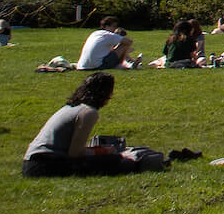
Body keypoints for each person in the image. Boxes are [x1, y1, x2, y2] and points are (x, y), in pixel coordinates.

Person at [23, 73, 160, 176]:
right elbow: (75, 153)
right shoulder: (88, 113)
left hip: (32, 162)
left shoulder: (71, 108)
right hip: (45, 165)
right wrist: (102, 151)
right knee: (116, 161)